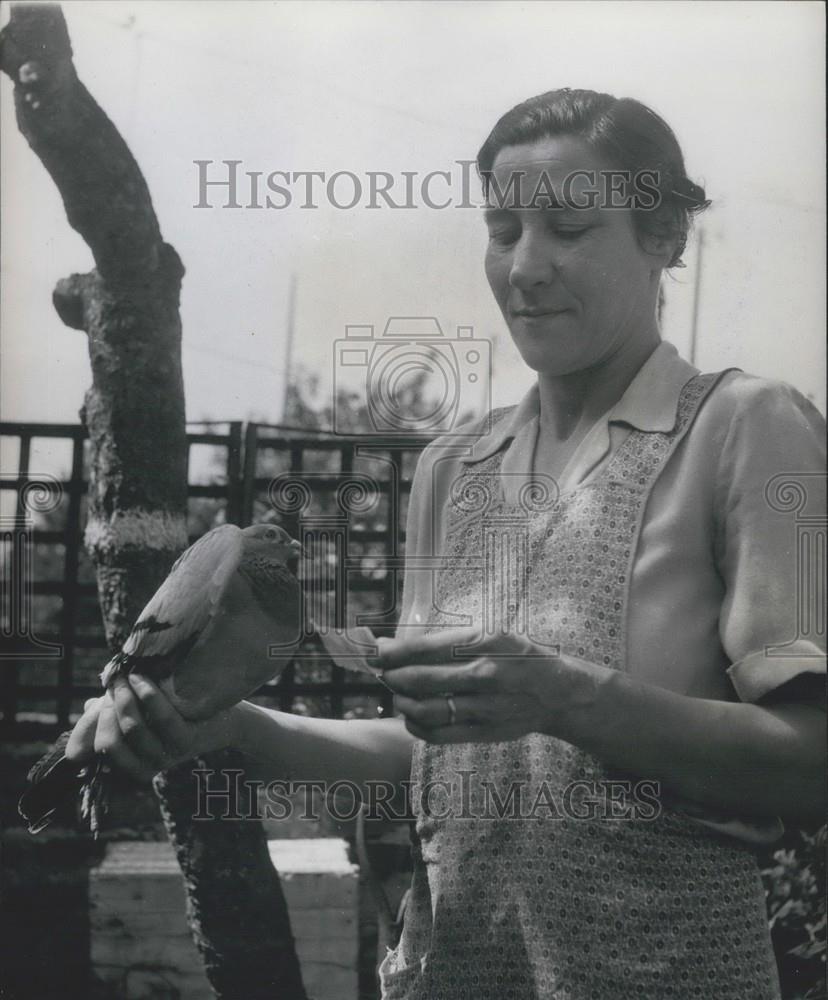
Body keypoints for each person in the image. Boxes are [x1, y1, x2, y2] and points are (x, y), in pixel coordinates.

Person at [66, 89, 826, 999]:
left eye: (570, 227)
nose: (527, 267)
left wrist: (566, 696)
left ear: (665, 237)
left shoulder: (746, 427)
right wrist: (226, 729)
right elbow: (445, 764)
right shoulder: (454, 467)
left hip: (669, 974)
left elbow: (811, 763)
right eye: (503, 230)